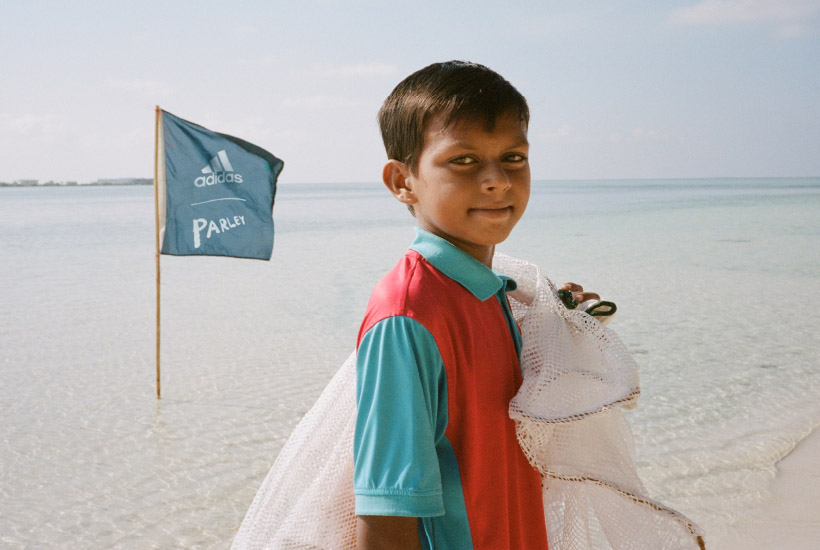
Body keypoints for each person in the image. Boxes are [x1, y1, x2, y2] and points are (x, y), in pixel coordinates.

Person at [353, 60, 599, 550]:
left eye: (513, 157)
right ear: (403, 181)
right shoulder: (409, 315)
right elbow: (385, 518)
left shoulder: (493, 292)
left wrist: (558, 321)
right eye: (463, 161)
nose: (497, 180)